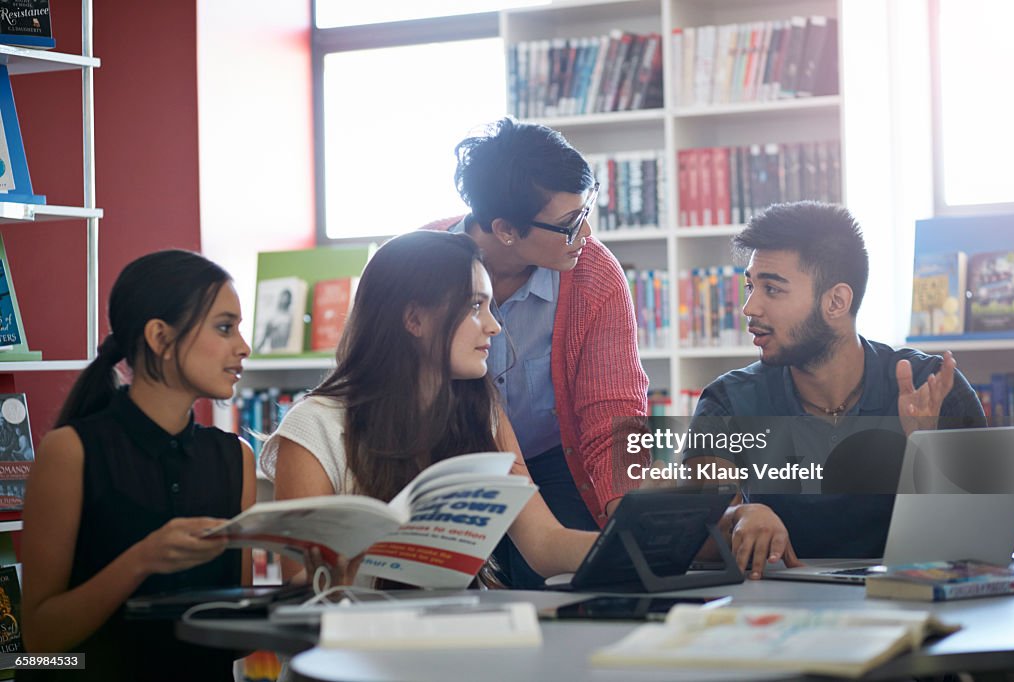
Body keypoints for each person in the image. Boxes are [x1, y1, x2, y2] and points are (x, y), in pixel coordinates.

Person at [259, 230, 597, 586]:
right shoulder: (315, 426)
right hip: (361, 633)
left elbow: (543, 543)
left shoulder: (483, 413)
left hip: (461, 628)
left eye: (489, 307)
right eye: (474, 306)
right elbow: (299, 583)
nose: (494, 326)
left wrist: (635, 550)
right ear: (414, 319)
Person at [686, 201, 985, 569]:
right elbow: (695, 533)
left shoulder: (934, 389)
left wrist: (927, 451)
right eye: (750, 286)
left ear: (836, 301)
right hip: (779, 613)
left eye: (772, 289)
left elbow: (998, 538)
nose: (750, 307)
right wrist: (741, 517)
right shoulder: (728, 402)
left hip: (911, 605)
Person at [421, 118, 650, 587]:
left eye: (587, 211)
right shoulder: (418, 265)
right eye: (569, 225)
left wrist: (632, 515)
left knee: (578, 583)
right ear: (505, 229)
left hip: (554, 460)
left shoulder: (595, 275)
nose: (585, 235)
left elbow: (613, 412)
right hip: (446, 461)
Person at [20, 250, 257, 681]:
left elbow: (237, 636)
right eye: (225, 328)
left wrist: (315, 583)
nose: (244, 347)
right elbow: (37, 646)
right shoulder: (70, 452)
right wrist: (141, 560)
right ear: (160, 337)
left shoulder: (235, 458)